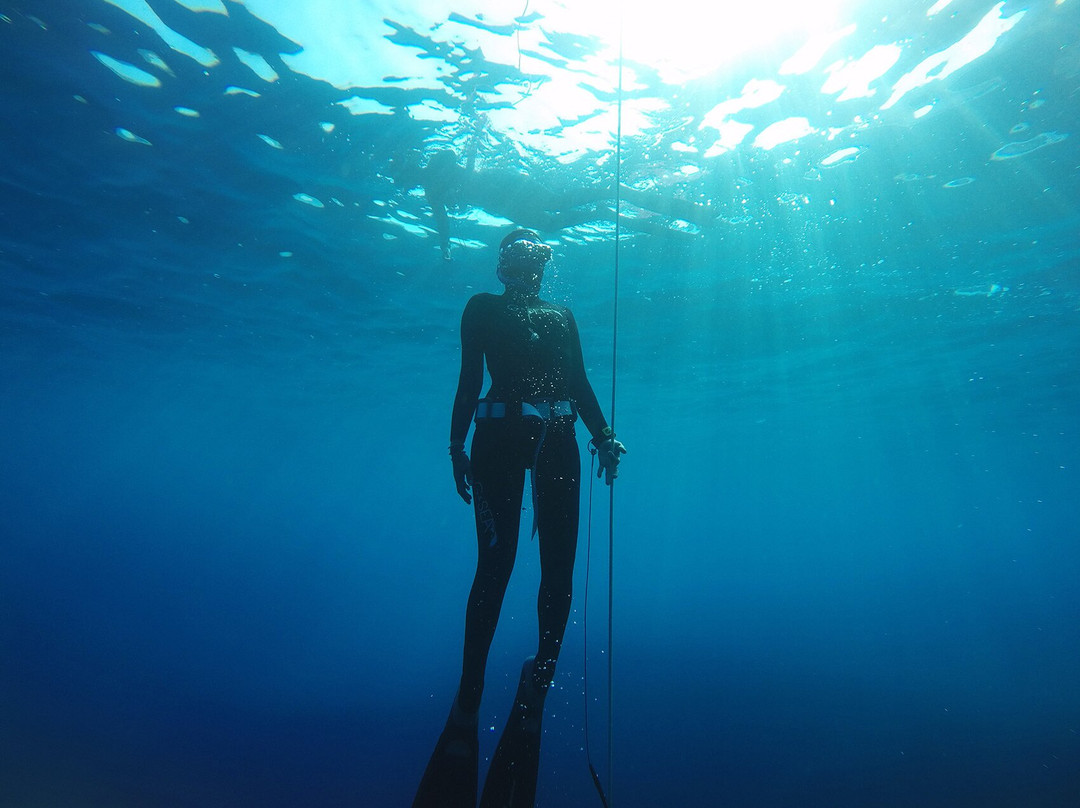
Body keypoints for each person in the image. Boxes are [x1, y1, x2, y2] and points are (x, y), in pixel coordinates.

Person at [412, 228, 626, 808]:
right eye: (515, 255)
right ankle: (471, 689)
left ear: (540, 268)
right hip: (498, 441)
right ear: (501, 265)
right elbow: (468, 379)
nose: (523, 265)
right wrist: (456, 446)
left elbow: (578, 381)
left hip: (557, 440)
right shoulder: (480, 309)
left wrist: (603, 434)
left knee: (558, 569)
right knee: (496, 567)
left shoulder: (561, 316)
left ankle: (542, 674)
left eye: (534, 257)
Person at [393, 147, 715, 261]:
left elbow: (462, 166)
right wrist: (445, 247)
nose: (408, 186)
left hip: (508, 186)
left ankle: (614, 193)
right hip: (502, 204)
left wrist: (474, 139)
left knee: (558, 202)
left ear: (408, 170)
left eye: (404, 179)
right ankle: (608, 210)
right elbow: (442, 223)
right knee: (549, 224)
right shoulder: (432, 196)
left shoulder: (440, 161)